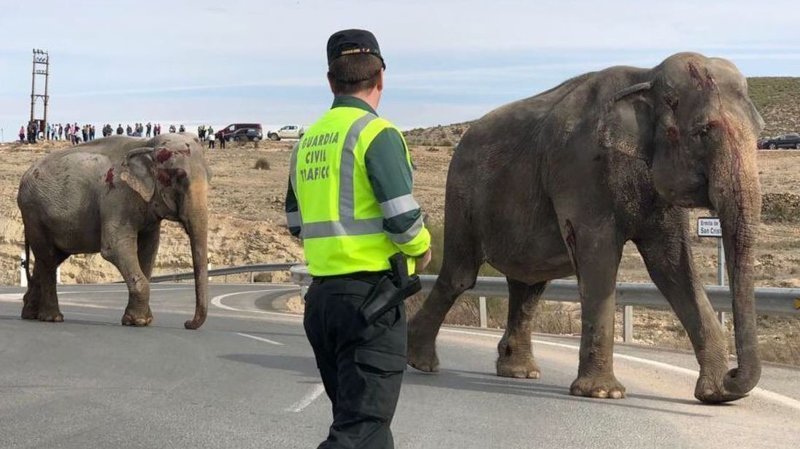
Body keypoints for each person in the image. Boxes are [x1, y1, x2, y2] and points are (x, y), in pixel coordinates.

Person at [285, 29, 431, 449]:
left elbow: (296, 221)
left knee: (367, 429)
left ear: (331, 81)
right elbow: (403, 221)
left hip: (322, 303)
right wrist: (421, 248)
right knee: (360, 429)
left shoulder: (306, 141)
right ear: (380, 76)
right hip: (372, 303)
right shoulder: (376, 134)